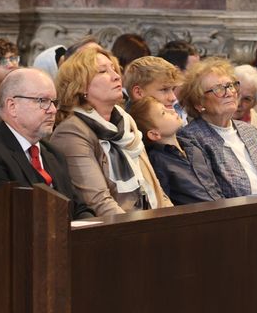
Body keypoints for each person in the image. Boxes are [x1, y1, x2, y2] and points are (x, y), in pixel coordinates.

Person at [47, 48, 172, 215]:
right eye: (103, 71)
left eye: (114, 68)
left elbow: (156, 188)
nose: (116, 76)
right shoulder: (72, 132)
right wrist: (144, 235)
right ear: (81, 86)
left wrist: (172, 223)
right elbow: (99, 201)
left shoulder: (126, 121)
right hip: (118, 231)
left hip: (149, 222)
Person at [0, 68, 94, 220]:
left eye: (54, 102)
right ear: (12, 106)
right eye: (43, 101)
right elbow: (7, 220)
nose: (52, 110)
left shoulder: (54, 153)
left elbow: (77, 207)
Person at [178, 57, 257, 197]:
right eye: (218, 89)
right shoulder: (191, 138)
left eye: (230, 86)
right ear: (199, 103)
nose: (229, 93)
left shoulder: (249, 131)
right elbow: (211, 196)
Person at [129, 96, 219, 205]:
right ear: (154, 134)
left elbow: (214, 184)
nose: (172, 110)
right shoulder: (157, 160)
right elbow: (165, 200)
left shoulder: (192, 145)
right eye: (163, 113)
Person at [123, 56, 184, 121]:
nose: (173, 98)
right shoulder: (126, 129)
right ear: (138, 93)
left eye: (173, 89)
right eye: (164, 89)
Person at [230, 64, 257, 132]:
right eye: (235, 93)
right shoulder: (211, 117)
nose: (238, 103)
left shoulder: (254, 119)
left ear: (255, 103)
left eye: (247, 99)